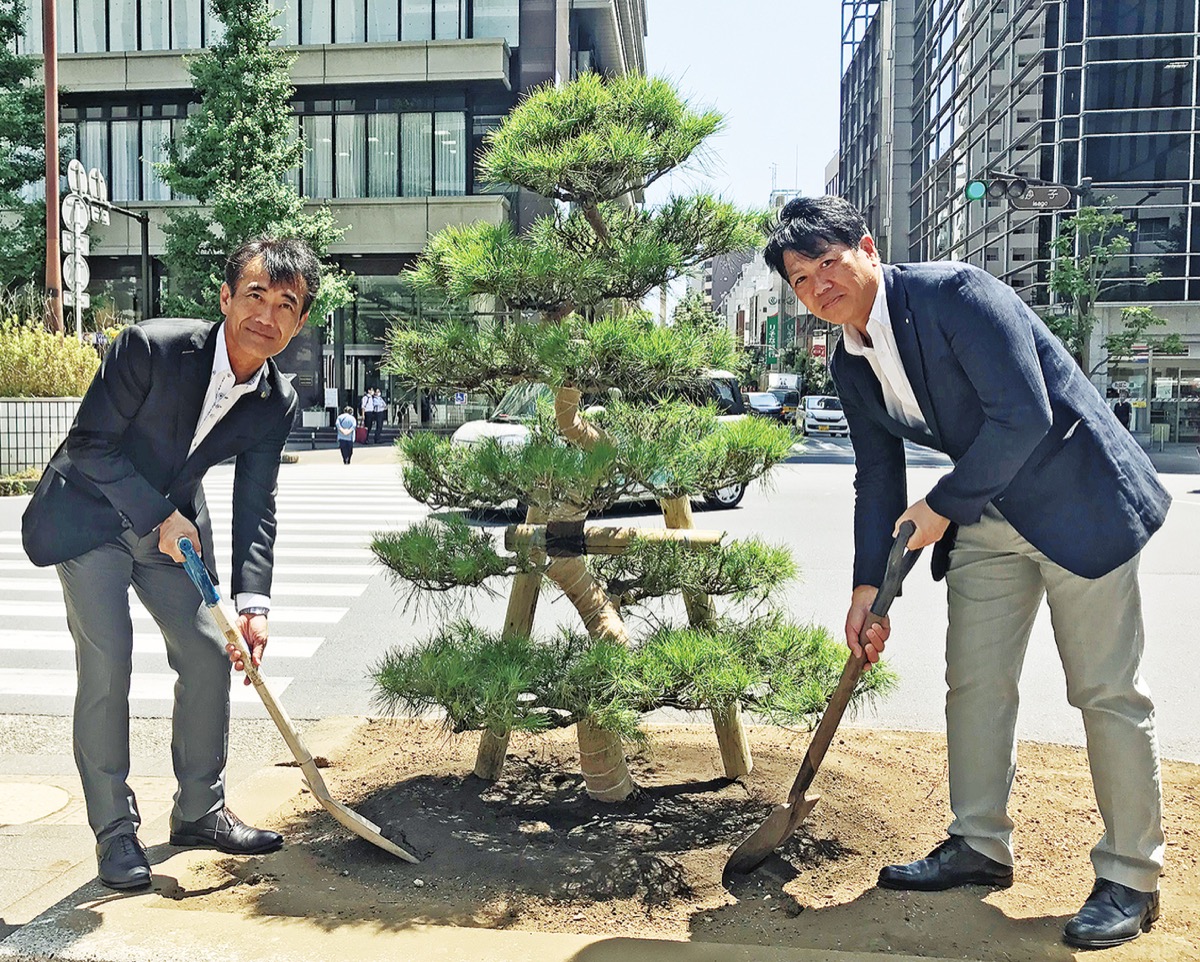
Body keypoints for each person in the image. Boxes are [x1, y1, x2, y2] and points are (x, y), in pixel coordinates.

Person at [763, 197, 1169, 950]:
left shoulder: (957, 295)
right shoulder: (851, 359)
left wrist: (942, 507)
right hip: (989, 510)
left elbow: (1026, 414)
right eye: (799, 278)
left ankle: (1131, 876)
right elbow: (876, 477)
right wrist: (866, 588)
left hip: (1081, 502)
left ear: (868, 247)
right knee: (975, 681)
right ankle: (979, 845)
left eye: (827, 261)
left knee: (1105, 691)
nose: (818, 284)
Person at [21, 236, 320, 891]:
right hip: (91, 516)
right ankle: (114, 832)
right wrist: (157, 513)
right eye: (255, 295)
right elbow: (89, 445)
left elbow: (256, 503)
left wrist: (253, 604)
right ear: (225, 298)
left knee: (213, 648)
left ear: (300, 322)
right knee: (108, 662)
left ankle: (199, 811)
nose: (266, 314)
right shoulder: (150, 347)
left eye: (286, 305)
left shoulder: (275, 401)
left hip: (171, 536)